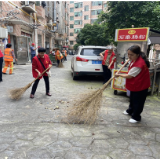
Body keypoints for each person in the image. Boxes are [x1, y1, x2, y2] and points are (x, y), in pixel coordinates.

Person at [115, 45, 150, 123]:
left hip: (141, 85)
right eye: (128, 54)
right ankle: (130, 110)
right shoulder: (134, 59)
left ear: (137, 54)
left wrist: (119, 74)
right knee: (132, 98)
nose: (129, 56)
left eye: (131, 55)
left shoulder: (139, 64)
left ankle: (136, 116)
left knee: (138, 101)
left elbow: (130, 76)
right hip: (135, 84)